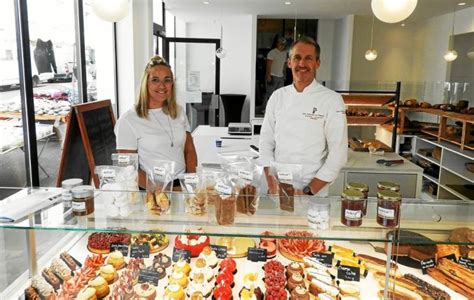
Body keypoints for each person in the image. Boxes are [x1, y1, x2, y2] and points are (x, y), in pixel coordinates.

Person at [259, 36, 347, 196]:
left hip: (313, 190)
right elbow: (266, 142)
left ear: (317, 63)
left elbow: (338, 154)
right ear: (289, 62)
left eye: (308, 58)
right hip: (278, 188)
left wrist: (308, 191)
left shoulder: (332, 100)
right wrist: (271, 183)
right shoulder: (277, 96)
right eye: (297, 58)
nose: (302, 64)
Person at [114, 55, 198, 188]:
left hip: (181, 186)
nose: (162, 86)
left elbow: (189, 149)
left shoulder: (178, 112)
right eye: (155, 80)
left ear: (172, 84)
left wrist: (191, 182)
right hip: (151, 190)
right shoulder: (128, 120)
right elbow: (128, 168)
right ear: (145, 83)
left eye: (167, 80)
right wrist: (157, 191)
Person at [261, 37, 288, 112]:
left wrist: (284, 75)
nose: (282, 46)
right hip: (272, 75)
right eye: (281, 44)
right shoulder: (272, 52)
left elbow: (284, 65)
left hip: (280, 76)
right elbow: (268, 65)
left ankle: (276, 110)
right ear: (277, 44)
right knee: (269, 93)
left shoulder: (285, 53)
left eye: (284, 44)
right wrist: (268, 76)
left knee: (279, 94)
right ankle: (265, 108)